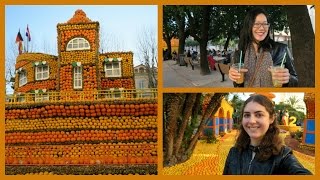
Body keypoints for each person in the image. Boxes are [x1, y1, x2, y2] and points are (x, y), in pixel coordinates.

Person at [223, 94, 312, 175]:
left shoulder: (282, 156)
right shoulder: (234, 153)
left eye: (259, 115)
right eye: (247, 115)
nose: (251, 121)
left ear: (271, 118)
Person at [228, 8, 298, 87]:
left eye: (265, 24)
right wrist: (234, 77)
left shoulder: (282, 49)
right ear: (249, 26)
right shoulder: (240, 53)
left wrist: (288, 78)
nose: (261, 28)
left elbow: (295, 80)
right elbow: (237, 85)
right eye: (256, 24)